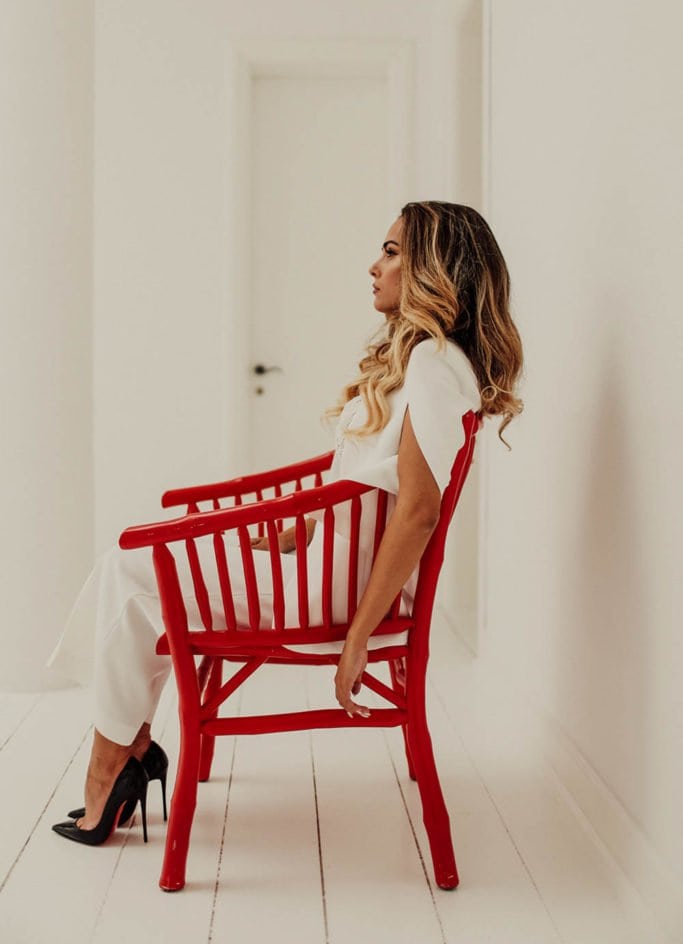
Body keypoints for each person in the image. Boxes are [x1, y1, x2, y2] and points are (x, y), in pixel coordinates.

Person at [48, 200, 524, 846]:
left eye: (390, 252)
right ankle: (129, 749)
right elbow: (368, 486)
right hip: (325, 568)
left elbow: (416, 510)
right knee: (138, 573)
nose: (373, 267)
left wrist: (357, 637)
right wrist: (294, 532)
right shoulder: (428, 363)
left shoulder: (433, 368)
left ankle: (112, 771)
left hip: (335, 591)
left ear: (433, 270)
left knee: (131, 569)